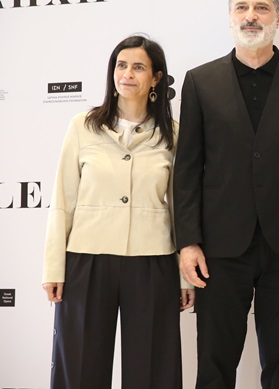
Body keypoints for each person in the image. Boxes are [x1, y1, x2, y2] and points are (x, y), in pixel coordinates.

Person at [174, 0, 279, 389]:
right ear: (230, 18)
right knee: (214, 365)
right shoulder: (200, 82)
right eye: (242, 7)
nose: (251, 16)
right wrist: (188, 242)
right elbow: (187, 170)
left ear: (277, 18)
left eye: (261, 8)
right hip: (219, 249)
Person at [42, 34, 191, 389]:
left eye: (138, 67)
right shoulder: (83, 126)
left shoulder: (172, 134)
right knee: (80, 365)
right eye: (121, 65)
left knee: (153, 370)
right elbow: (62, 200)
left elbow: (181, 208)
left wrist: (184, 276)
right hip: (87, 260)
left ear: (156, 78)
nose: (127, 74)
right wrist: (53, 267)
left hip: (152, 261)